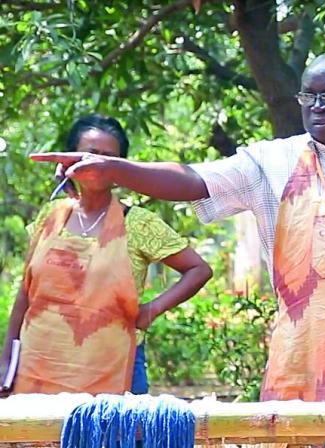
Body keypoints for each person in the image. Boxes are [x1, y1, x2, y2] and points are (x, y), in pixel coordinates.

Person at [32, 53, 325, 402]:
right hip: (300, 360)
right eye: (307, 95)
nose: (316, 106)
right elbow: (192, 179)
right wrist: (114, 169)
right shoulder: (270, 161)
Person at [0, 114, 212, 395]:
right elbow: (25, 294)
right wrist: (6, 358)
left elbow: (198, 269)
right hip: (36, 367)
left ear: (120, 167)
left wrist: (151, 311)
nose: (95, 164)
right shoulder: (50, 216)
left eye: (107, 158)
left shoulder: (137, 223)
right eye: (89, 154)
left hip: (110, 369)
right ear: (70, 158)